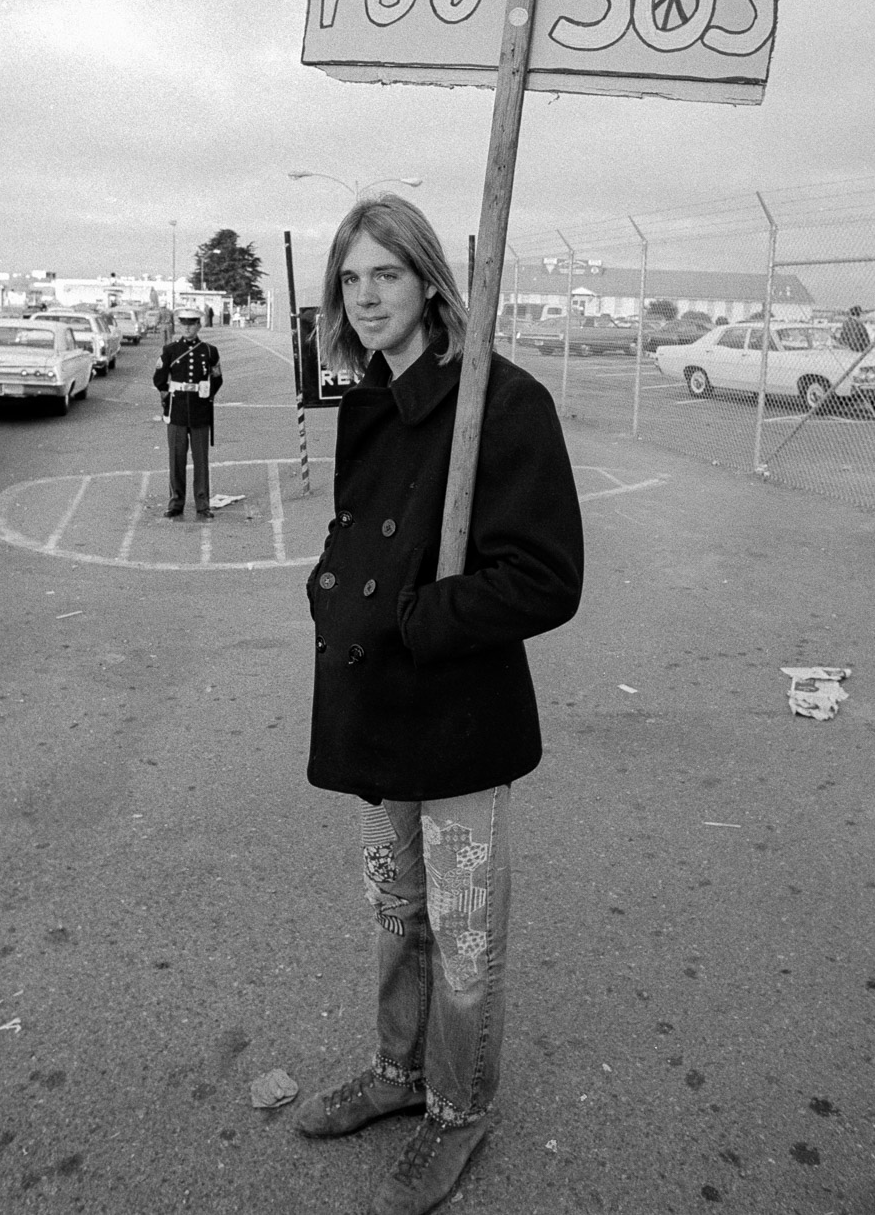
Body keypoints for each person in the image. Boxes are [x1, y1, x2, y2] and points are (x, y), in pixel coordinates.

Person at [295, 195, 584, 1215]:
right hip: (375, 718)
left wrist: (421, 618)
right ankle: (397, 1072)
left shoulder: (498, 405)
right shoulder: (373, 398)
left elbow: (546, 577)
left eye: (384, 274)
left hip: (457, 723)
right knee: (395, 918)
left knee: (464, 941)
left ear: (427, 280)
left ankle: (457, 1109)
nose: (365, 296)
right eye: (349, 277)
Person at [152, 309, 222, 519]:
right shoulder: (170, 350)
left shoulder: (209, 351)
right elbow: (159, 378)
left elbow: (217, 378)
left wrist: (207, 396)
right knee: (176, 458)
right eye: (184, 324)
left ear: (199, 326)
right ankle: (176, 503)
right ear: (180, 326)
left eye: (192, 324)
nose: (188, 327)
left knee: (201, 460)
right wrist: (166, 397)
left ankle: (203, 504)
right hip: (178, 411)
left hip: (200, 411)